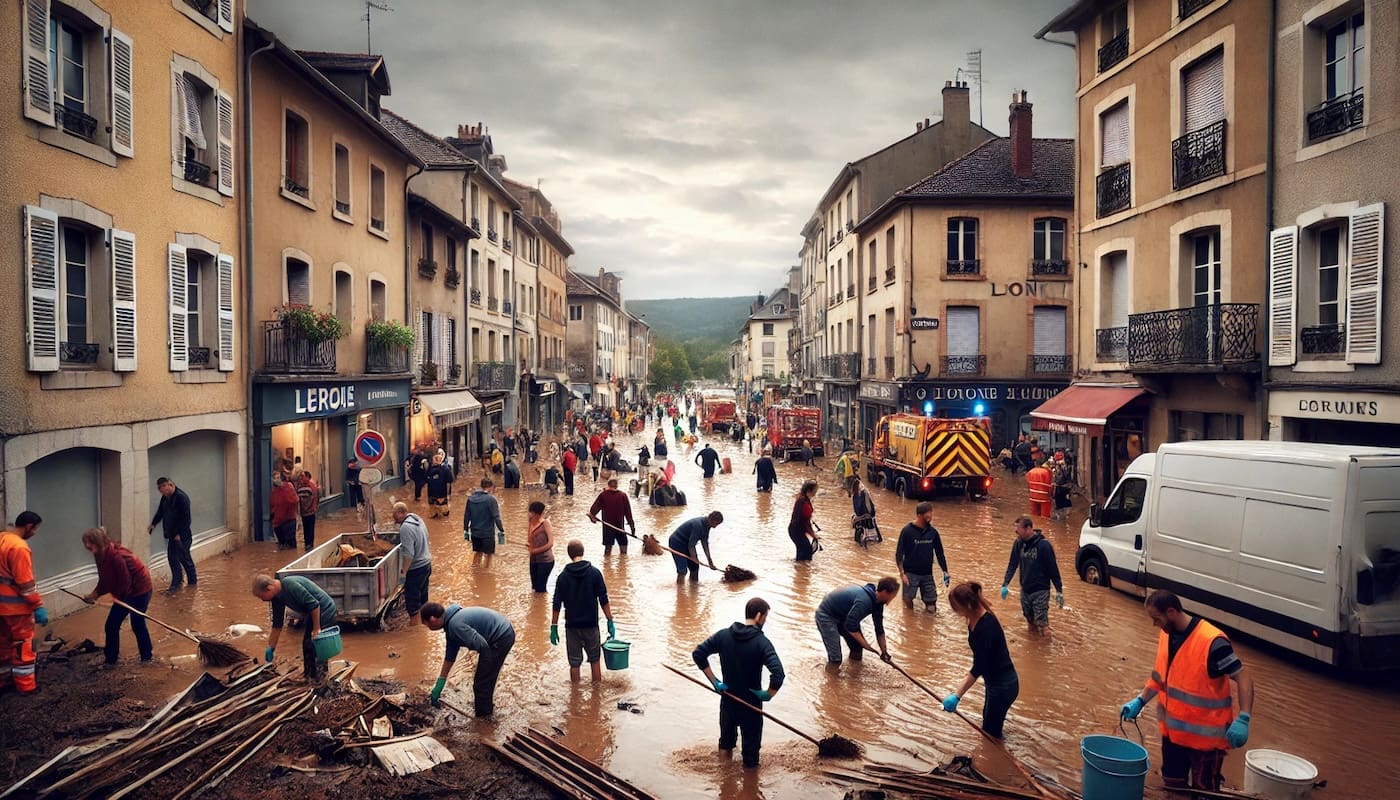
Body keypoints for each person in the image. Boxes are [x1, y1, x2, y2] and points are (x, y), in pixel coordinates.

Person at [1120, 590, 1255, 792]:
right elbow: (1160, 676)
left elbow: (1243, 677)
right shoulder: (1166, 636)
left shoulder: (1212, 642)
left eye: (1156, 619)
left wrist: (1244, 717)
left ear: (1172, 612)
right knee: (1173, 786)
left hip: (1206, 742)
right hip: (1173, 736)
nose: (1154, 624)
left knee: (1204, 790)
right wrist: (1140, 700)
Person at [692, 597, 786, 769]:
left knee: (725, 744)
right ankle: (750, 790)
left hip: (728, 701)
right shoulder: (762, 643)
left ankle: (724, 784)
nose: (764, 621)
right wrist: (768, 694)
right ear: (759, 616)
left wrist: (715, 681)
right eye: (765, 617)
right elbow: (778, 674)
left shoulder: (723, 636)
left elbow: (698, 654)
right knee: (751, 757)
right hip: (751, 707)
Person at [942, 582, 1019, 739]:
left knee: (990, 734)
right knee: (989, 723)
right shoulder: (972, 617)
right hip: (995, 683)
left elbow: (979, 667)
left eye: (956, 607)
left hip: (1004, 686)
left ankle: (997, 759)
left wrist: (957, 695)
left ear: (969, 605)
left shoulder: (987, 627)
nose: (955, 611)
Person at [423, 602, 516, 717]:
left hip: (501, 637)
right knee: (482, 681)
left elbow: (483, 646)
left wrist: (485, 671)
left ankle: (484, 720)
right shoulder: (450, 622)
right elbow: (450, 657)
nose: (428, 628)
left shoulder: (455, 625)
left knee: (481, 684)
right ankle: (484, 706)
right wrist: (439, 685)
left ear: (432, 619)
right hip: (502, 631)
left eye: (426, 624)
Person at [81, 527, 153, 666]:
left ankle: (147, 658)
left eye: (89, 544)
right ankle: (111, 660)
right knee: (111, 625)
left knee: (137, 624)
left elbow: (124, 582)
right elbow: (104, 580)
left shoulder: (116, 556)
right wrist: (94, 595)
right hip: (125, 592)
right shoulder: (100, 555)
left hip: (140, 590)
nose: (87, 547)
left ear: (98, 542)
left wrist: (115, 598)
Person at [550, 540, 616, 682]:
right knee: (595, 660)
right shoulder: (595, 573)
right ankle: (596, 696)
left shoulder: (563, 577)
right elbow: (603, 599)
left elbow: (556, 604)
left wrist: (553, 626)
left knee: (574, 663)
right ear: (583, 552)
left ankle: (575, 697)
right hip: (591, 626)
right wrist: (610, 620)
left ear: (569, 554)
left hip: (572, 627)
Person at [253, 573, 337, 680]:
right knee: (306, 645)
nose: (262, 599)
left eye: (261, 596)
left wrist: (316, 628)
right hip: (312, 612)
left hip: (325, 609)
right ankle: (308, 676)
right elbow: (277, 625)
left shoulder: (290, 585)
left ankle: (321, 677)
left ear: (269, 588)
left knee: (316, 645)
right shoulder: (276, 598)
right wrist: (271, 648)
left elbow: (314, 605)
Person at [0, 512, 46, 693]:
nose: (34, 533)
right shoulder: (19, 548)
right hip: (16, 608)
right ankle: (26, 686)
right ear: (29, 526)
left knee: (2, 644)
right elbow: (26, 584)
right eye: (35, 529)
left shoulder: (2, 538)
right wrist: (38, 606)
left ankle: (3, 680)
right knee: (24, 645)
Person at [999, 517, 1064, 634]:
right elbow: (1012, 564)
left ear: (1028, 529)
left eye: (1017, 528)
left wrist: (1059, 590)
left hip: (1040, 590)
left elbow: (1053, 569)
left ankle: (1046, 649)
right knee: (1030, 622)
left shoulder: (1044, 546)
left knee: (1043, 625)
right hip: (1025, 589)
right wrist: (1005, 584)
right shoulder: (1018, 543)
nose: (1015, 531)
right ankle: (1033, 647)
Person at [814, 579, 898, 665]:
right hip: (827, 616)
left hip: (844, 617)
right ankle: (831, 675)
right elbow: (851, 626)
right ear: (884, 592)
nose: (893, 598)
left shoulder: (878, 603)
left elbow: (879, 629)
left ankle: (853, 674)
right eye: (893, 595)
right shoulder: (864, 601)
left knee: (857, 649)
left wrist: (884, 652)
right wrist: (866, 645)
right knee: (836, 659)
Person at [895, 502, 950, 611]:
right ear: (919, 515)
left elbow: (940, 553)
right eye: (928, 513)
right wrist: (902, 574)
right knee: (907, 600)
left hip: (927, 574)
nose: (930, 516)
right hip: (910, 573)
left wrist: (945, 571)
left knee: (931, 606)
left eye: (931, 513)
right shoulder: (907, 531)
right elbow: (899, 554)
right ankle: (910, 623)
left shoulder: (933, 533)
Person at [149, 477, 196, 591]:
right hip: (171, 535)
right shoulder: (165, 497)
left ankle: (192, 584)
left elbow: (186, 519)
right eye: (160, 490)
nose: (161, 492)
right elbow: (161, 512)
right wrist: (153, 524)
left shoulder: (181, 498)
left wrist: (180, 534)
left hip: (182, 536)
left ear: (169, 485)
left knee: (184, 559)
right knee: (172, 558)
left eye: (162, 489)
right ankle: (176, 585)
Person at [393, 502, 431, 625]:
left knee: (412, 604)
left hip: (416, 569)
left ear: (400, 513)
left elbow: (408, 554)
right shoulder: (416, 518)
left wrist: (403, 573)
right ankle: (425, 626)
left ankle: (416, 632)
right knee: (423, 600)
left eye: (394, 514)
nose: (392, 517)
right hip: (426, 564)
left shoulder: (405, 528)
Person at [668, 511, 724, 581]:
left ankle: (694, 589)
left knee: (694, 567)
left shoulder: (707, 526)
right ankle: (680, 590)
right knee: (682, 570)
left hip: (687, 544)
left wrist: (710, 562)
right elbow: (691, 545)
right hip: (677, 543)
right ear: (710, 519)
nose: (715, 527)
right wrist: (694, 557)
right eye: (715, 524)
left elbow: (705, 543)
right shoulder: (698, 525)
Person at [588, 477, 636, 556]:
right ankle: (623, 565)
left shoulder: (603, 495)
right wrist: (632, 527)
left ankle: (606, 565)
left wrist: (592, 518)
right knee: (624, 548)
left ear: (608, 485)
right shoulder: (623, 496)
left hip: (608, 528)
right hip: (619, 527)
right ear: (617, 485)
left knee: (607, 549)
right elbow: (628, 514)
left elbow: (593, 510)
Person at [466, 478, 505, 566]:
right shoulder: (491, 499)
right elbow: (496, 517)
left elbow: (466, 516)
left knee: (477, 553)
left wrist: (465, 530)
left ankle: (475, 573)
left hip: (474, 533)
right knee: (489, 555)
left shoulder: (471, 499)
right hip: (487, 534)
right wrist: (501, 530)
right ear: (491, 487)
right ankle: (486, 576)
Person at [526, 501, 556, 594]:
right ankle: (537, 606)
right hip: (533, 560)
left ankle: (542, 606)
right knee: (534, 588)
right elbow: (530, 539)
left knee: (541, 589)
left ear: (535, 513)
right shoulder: (531, 522)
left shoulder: (546, 523)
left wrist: (535, 550)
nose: (529, 514)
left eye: (530, 512)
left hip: (545, 561)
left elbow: (550, 543)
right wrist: (529, 545)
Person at [787, 480, 820, 561]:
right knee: (806, 551)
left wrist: (812, 534)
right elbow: (805, 522)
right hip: (797, 530)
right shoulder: (803, 502)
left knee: (803, 551)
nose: (816, 493)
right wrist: (813, 534)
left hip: (796, 529)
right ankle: (802, 570)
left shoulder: (803, 499)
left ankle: (800, 570)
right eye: (815, 491)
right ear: (809, 490)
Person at [269, 474, 300, 551]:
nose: (276, 479)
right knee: (282, 544)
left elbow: (293, 500)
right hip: (279, 521)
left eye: (278, 477)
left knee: (290, 545)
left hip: (288, 520)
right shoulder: (275, 491)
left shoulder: (288, 487)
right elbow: (273, 504)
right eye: (275, 478)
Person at [850, 476, 880, 547]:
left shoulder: (862, 492)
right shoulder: (857, 494)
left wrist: (859, 517)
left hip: (866, 515)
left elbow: (869, 510)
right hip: (863, 515)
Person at [295, 471, 319, 552]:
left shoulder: (311, 486)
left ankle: (309, 545)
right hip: (304, 512)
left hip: (310, 512)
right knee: (306, 529)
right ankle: (308, 545)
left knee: (309, 529)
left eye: (302, 476)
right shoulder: (301, 486)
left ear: (308, 477)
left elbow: (314, 498)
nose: (301, 478)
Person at [425, 452, 454, 519]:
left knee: (434, 515)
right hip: (441, 495)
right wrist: (448, 494)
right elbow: (449, 482)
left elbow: (426, 481)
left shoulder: (430, 469)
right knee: (444, 515)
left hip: (432, 495)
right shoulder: (445, 469)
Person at [1051, 455, 1074, 521]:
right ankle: (1064, 518)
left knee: (1062, 504)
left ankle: (1062, 518)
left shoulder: (1062, 469)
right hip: (1062, 488)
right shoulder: (1064, 468)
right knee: (1064, 504)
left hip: (1061, 488)